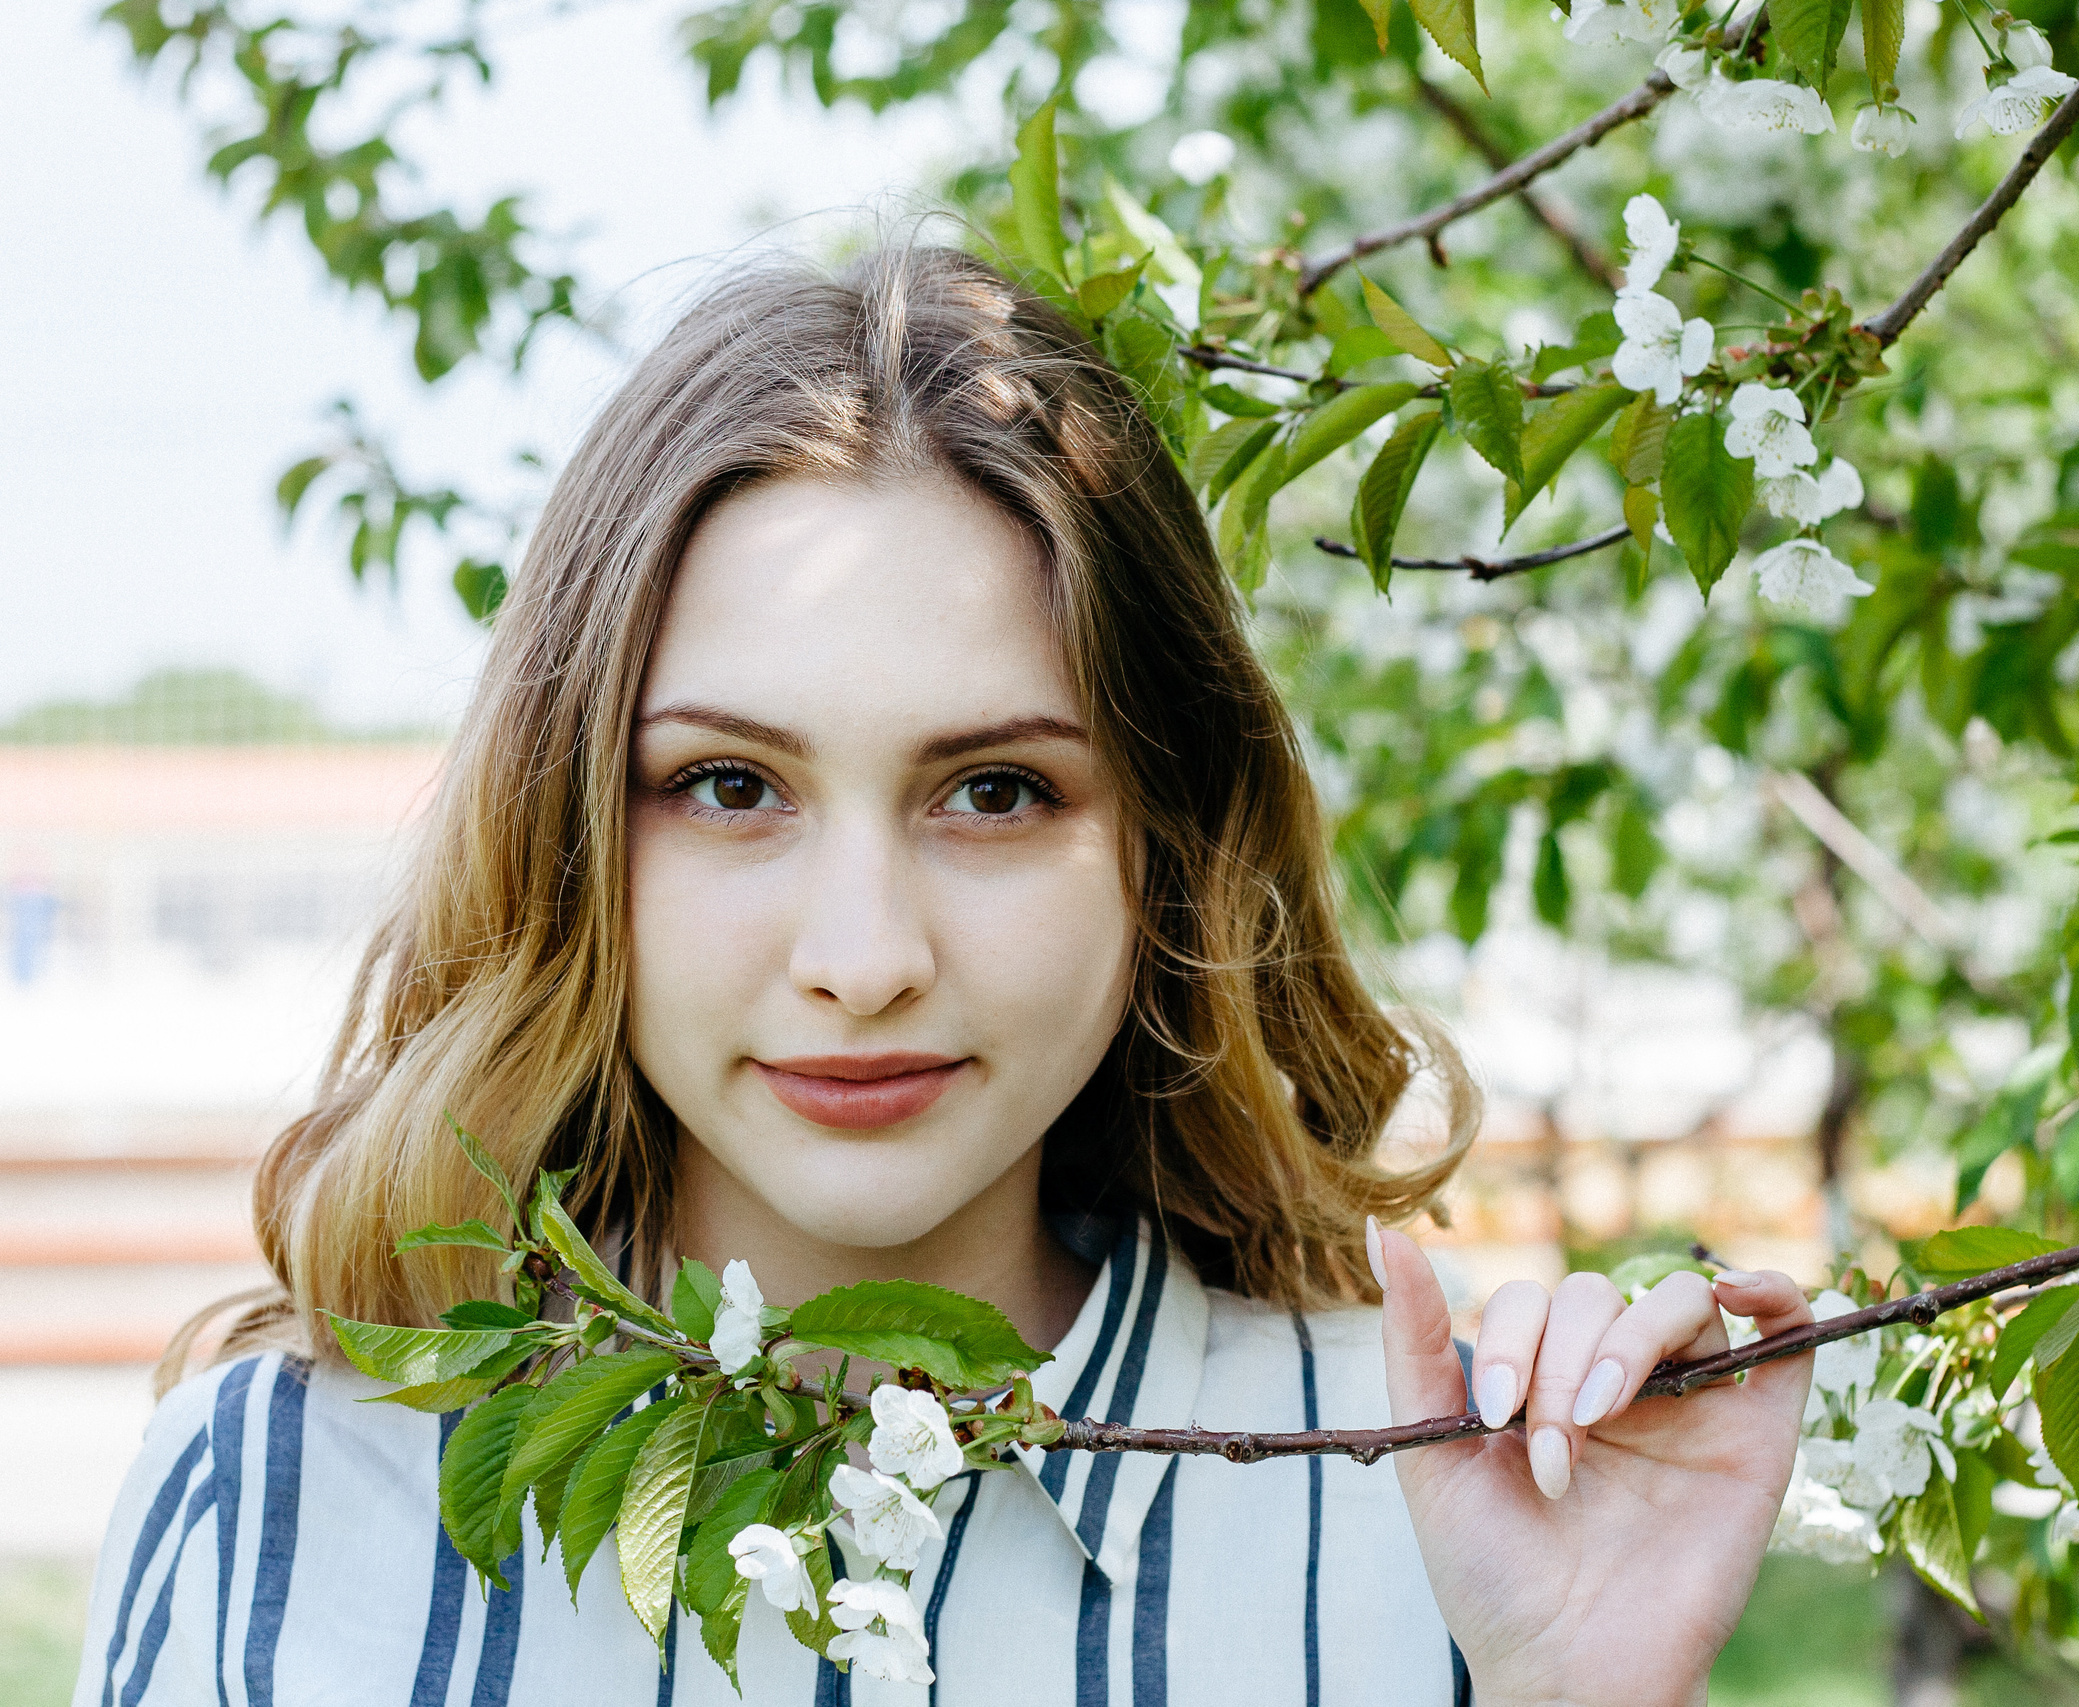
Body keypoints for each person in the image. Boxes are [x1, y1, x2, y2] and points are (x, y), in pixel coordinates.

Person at [76, 246, 1814, 1707]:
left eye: (996, 792)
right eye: (729, 787)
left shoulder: (1432, 1504)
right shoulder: (282, 1499)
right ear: (570, 831)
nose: (863, 963)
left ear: (1163, 850)